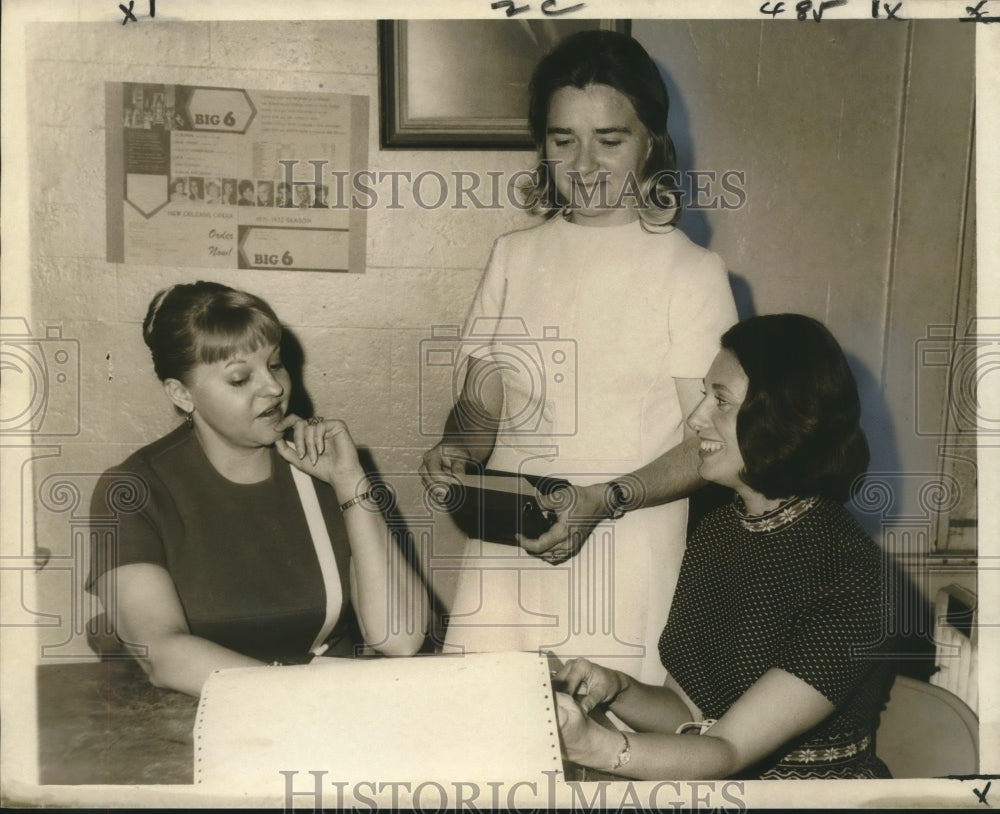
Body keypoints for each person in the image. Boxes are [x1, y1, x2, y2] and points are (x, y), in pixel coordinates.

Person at [421, 30, 737, 682]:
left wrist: (604, 499)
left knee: (609, 759)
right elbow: (482, 409)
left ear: (651, 139)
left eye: (610, 140)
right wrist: (454, 449)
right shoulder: (515, 256)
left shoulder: (692, 272)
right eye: (563, 141)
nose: (585, 165)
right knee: (492, 748)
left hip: (627, 549)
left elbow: (710, 445)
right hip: (510, 556)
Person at [554, 314, 892, 780]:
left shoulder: (853, 573)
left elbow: (728, 749)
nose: (695, 420)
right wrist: (616, 689)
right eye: (703, 398)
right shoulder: (720, 533)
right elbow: (689, 713)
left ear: (780, 418)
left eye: (721, 401)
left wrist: (595, 746)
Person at [87, 282, 428, 696]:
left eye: (276, 364)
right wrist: (294, 699)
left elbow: (401, 637)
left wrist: (350, 483)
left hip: (327, 711)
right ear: (181, 393)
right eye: (240, 378)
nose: (274, 388)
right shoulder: (133, 488)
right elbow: (161, 652)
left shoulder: (316, 466)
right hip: (204, 716)